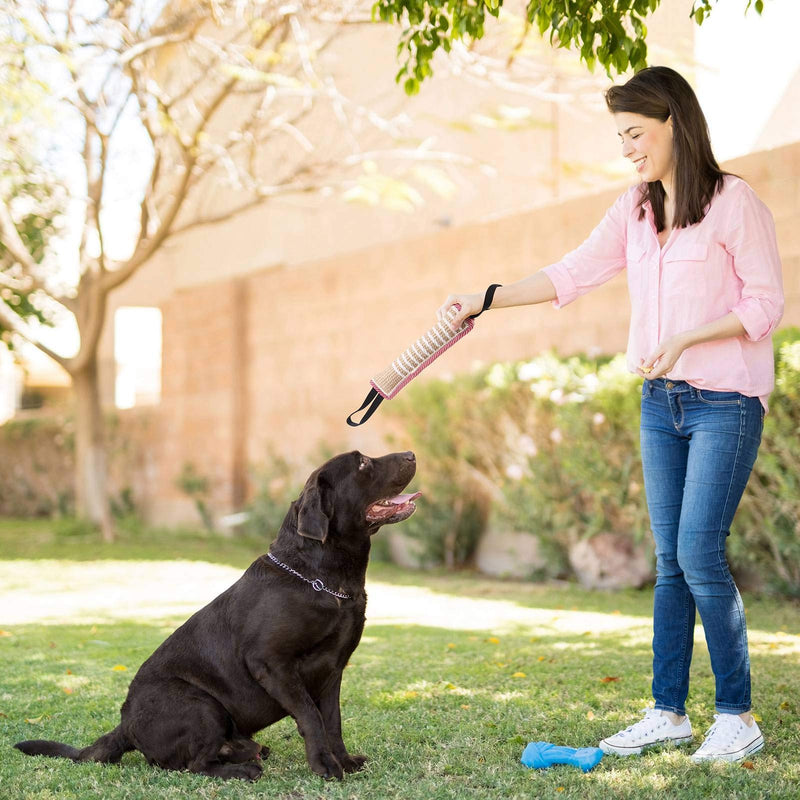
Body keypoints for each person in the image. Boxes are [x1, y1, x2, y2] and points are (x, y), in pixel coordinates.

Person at [438, 66, 784, 763]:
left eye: (635, 133)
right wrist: (487, 295)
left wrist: (689, 336)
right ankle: (668, 712)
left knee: (697, 553)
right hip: (661, 405)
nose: (627, 148)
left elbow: (765, 304)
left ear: (673, 123)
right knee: (669, 562)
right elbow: (571, 272)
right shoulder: (634, 209)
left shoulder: (732, 202)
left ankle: (737, 717)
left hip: (725, 402)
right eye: (620, 136)